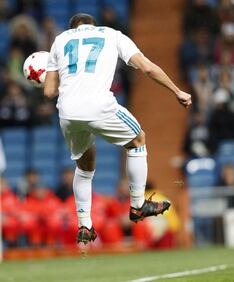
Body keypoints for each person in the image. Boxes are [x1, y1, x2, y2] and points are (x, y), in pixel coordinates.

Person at [44, 13, 192, 245]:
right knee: (138, 140)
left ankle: (85, 225)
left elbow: (49, 92)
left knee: (84, 167)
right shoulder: (111, 34)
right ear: (93, 25)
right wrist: (177, 91)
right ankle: (138, 205)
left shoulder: (60, 40)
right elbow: (148, 68)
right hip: (100, 106)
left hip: (68, 111)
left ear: (73, 28)